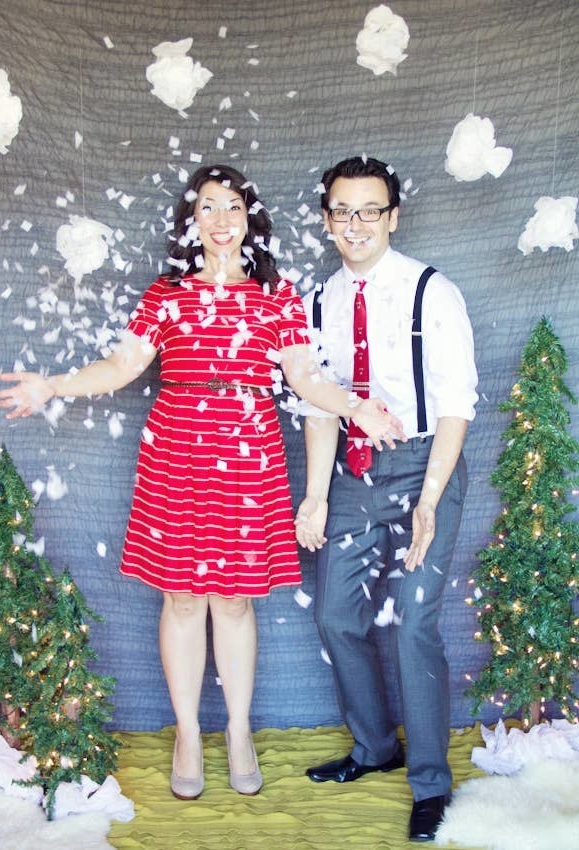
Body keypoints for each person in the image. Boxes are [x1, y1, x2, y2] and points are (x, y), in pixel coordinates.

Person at [0, 163, 405, 802]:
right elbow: (123, 365)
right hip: (177, 449)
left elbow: (305, 378)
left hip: (249, 451)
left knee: (235, 600)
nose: (219, 220)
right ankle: (188, 732)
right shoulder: (165, 296)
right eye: (206, 207)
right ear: (192, 222)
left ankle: (238, 731)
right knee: (182, 599)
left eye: (231, 206)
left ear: (249, 219)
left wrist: (354, 406)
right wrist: (55, 385)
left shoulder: (277, 296)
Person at [295, 156, 478, 842]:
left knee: (413, 623)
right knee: (339, 618)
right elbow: (318, 407)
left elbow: (457, 407)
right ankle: (376, 748)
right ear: (326, 220)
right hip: (353, 471)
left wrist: (430, 498)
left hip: (427, 465)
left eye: (370, 210)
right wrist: (315, 496)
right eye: (343, 211)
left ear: (393, 217)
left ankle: (430, 784)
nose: (356, 224)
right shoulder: (317, 302)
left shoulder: (433, 291)